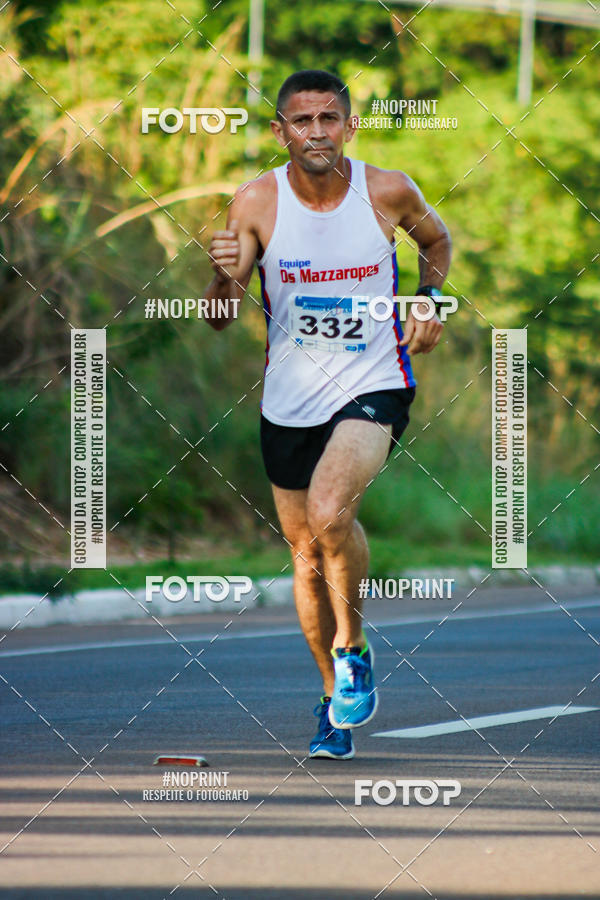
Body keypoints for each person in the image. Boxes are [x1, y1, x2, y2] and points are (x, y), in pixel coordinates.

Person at [205, 69, 451, 760]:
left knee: (332, 511)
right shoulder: (255, 203)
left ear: (350, 125)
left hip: (374, 381)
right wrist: (221, 274)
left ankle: (352, 647)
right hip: (288, 398)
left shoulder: (387, 190)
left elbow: (437, 242)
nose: (317, 132)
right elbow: (221, 317)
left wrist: (430, 299)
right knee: (307, 556)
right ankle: (332, 699)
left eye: (329, 118)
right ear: (281, 131)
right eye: (302, 121)